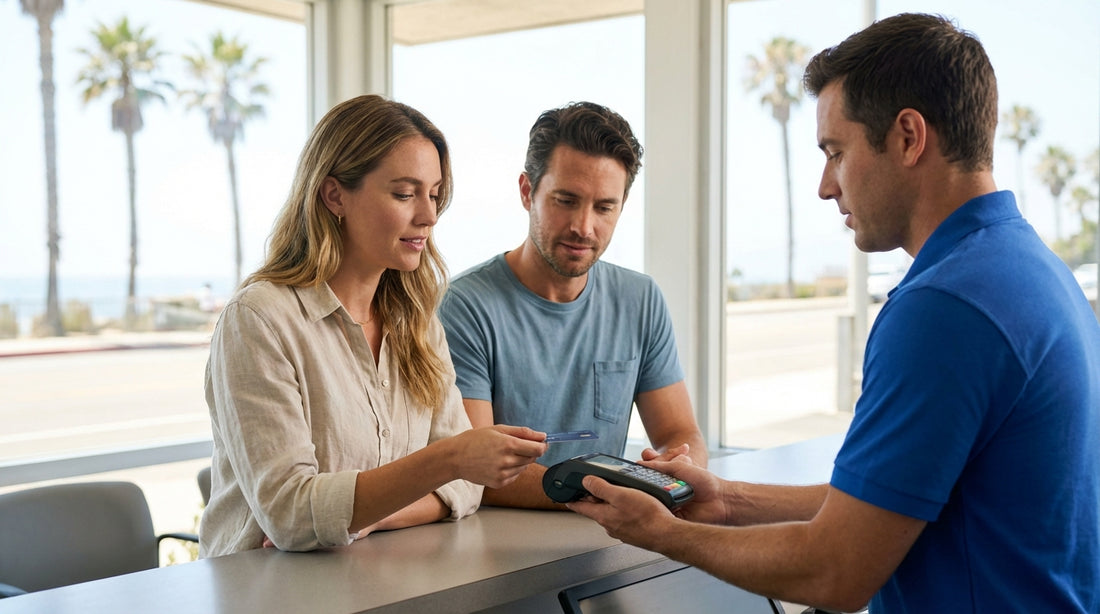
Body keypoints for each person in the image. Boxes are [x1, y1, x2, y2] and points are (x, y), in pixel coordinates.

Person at [568, 13, 1100, 613]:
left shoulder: (943, 309)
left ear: (907, 137)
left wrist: (665, 534)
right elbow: (886, 505)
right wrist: (726, 501)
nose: (826, 185)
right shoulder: (1035, 273)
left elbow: (836, 570)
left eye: (836, 152)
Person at [201, 94, 548, 557]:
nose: (428, 215)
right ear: (334, 195)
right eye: (405, 194)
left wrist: (373, 516)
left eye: (434, 194)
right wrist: (450, 458)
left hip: (379, 590)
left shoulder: (418, 322)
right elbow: (291, 516)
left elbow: (467, 489)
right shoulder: (260, 320)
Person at [438, 101, 707, 509]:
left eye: (604, 207)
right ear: (528, 191)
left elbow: (680, 434)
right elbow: (480, 470)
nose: (584, 227)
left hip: (609, 537)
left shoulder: (640, 299)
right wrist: (615, 492)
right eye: (566, 200)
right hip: (497, 546)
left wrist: (677, 465)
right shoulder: (464, 307)